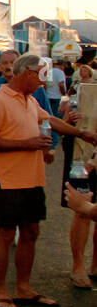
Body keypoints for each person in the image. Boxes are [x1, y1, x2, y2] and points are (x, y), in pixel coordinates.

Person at [0, 54, 97, 307]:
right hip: (6, 181)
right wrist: (27, 144)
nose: (45, 82)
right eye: (42, 75)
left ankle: (23, 288)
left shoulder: (30, 100)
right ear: (27, 73)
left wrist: (83, 134)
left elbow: (51, 121)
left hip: (32, 179)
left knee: (31, 232)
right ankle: (0, 291)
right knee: (6, 234)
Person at [60, 63, 96, 288]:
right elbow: (62, 124)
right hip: (80, 157)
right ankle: (78, 267)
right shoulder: (75, 92)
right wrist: (69, 121)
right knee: (82, 208)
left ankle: (95, 265)